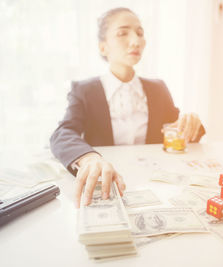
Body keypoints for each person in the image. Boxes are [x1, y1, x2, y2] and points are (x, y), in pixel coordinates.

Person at [50, 7, 205, 208]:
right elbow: (63, 133)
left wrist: (192, 124)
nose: (136, 41)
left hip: (155, 189)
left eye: (140, 33)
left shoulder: (158, 88)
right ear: (103, 47)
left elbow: (177, 132)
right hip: (107, 186)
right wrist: (88, 159)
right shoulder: (84, 90)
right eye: (123, 33)